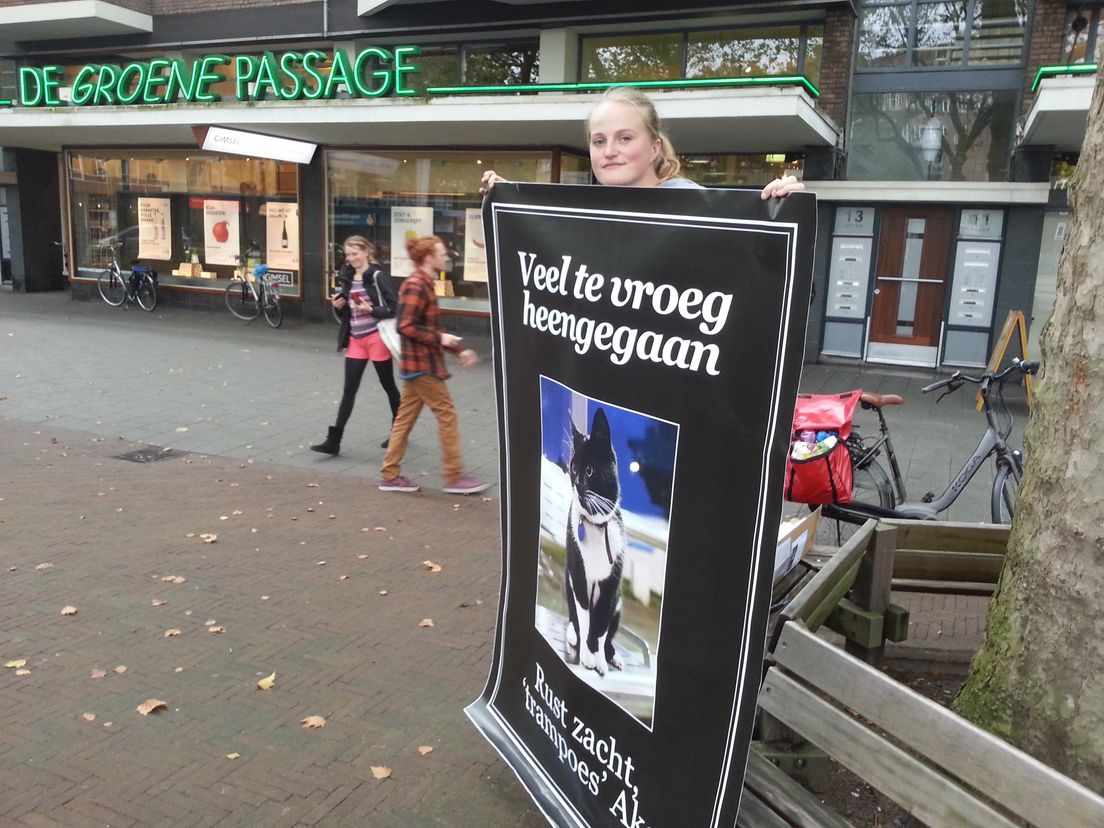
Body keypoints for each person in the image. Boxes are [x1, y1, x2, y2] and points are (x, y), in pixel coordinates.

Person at [480, 85, 805, 197]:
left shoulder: (691, 204)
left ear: (654, 148)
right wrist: (511, 202)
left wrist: (780, 204)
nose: (609, 151)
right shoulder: (585, 212)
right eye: (598, 141)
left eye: (624, 138)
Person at [377, 235, 491, 495]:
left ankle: (389, 474)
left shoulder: (425, 283)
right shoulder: (417, 284)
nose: (446, 256)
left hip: (417, 365)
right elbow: (404, 326)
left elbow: (429, 328)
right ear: (428, 257)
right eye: (441, 252)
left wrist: (457, 350)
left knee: (404, 420)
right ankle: (454, 477)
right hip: (422, 366)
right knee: (447, 414)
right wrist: (442, 339)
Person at [310, 236, 401, 456]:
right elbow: (347, 312)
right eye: (348, 254)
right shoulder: (348, 278)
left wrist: (372, 311)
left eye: (355, 254)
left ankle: (399, 433)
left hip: (376, 337)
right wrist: (339, 306)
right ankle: (334, 441)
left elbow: (395, 307)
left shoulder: (378, 276)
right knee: (349, 390)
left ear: (367, 252)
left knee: (388, 385)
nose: (351, 259)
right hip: (356, 340)